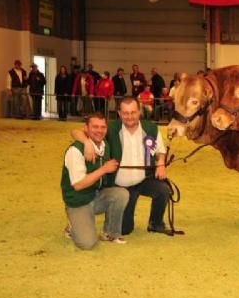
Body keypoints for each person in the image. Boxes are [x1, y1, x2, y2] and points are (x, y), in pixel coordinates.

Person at [71, 97, 171, 236]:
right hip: (120, 185)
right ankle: (81, 218)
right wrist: (87, 143)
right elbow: (75, 132)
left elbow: (160, 151)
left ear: (139, 112)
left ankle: (155, 223)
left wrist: (160, 164)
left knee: (163, 190)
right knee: (125, 230)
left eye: (133, 112)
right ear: (119, 113)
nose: (129, 117)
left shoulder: (151, 128)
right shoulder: (110, 128)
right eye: (125, 113)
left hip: (143, 180)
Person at [61, 112, 129, 249]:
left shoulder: (105, 145)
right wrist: (103, 169)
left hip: (94, 195)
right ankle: (72, 224)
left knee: (121, 194)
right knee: (87, 244)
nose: (100, 131)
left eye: (103, 127)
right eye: (95, 127)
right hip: (78, 201)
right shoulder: (76, 150)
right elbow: (78, 185)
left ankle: (110, 233)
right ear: (86, 128)